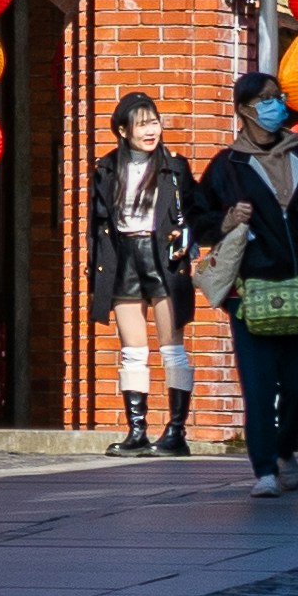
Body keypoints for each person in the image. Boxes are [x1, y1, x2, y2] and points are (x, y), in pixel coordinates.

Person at [187, 79, 298, 497]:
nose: (276, 106)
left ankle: (284, 449)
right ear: (243, 109)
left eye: (279, 98)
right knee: (258, 385)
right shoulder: (227, 166)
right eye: (266, 100)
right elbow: (196, 220)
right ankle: (265, 470)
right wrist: (226, 219)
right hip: (249, 291)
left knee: (296, 385)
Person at [83, 93, 198, 455]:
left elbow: (197, 213)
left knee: (171, 347)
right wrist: (95, 265)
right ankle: (137, 431)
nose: (151, 131)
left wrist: (188, 237)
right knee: (132, 350)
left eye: (154, 122)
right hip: (122, 257)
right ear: (122, 130)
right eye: (142, 124)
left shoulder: (174, 167)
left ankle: (176, 432)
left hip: (163, 256)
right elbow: (96, 224)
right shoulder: (106, 168)